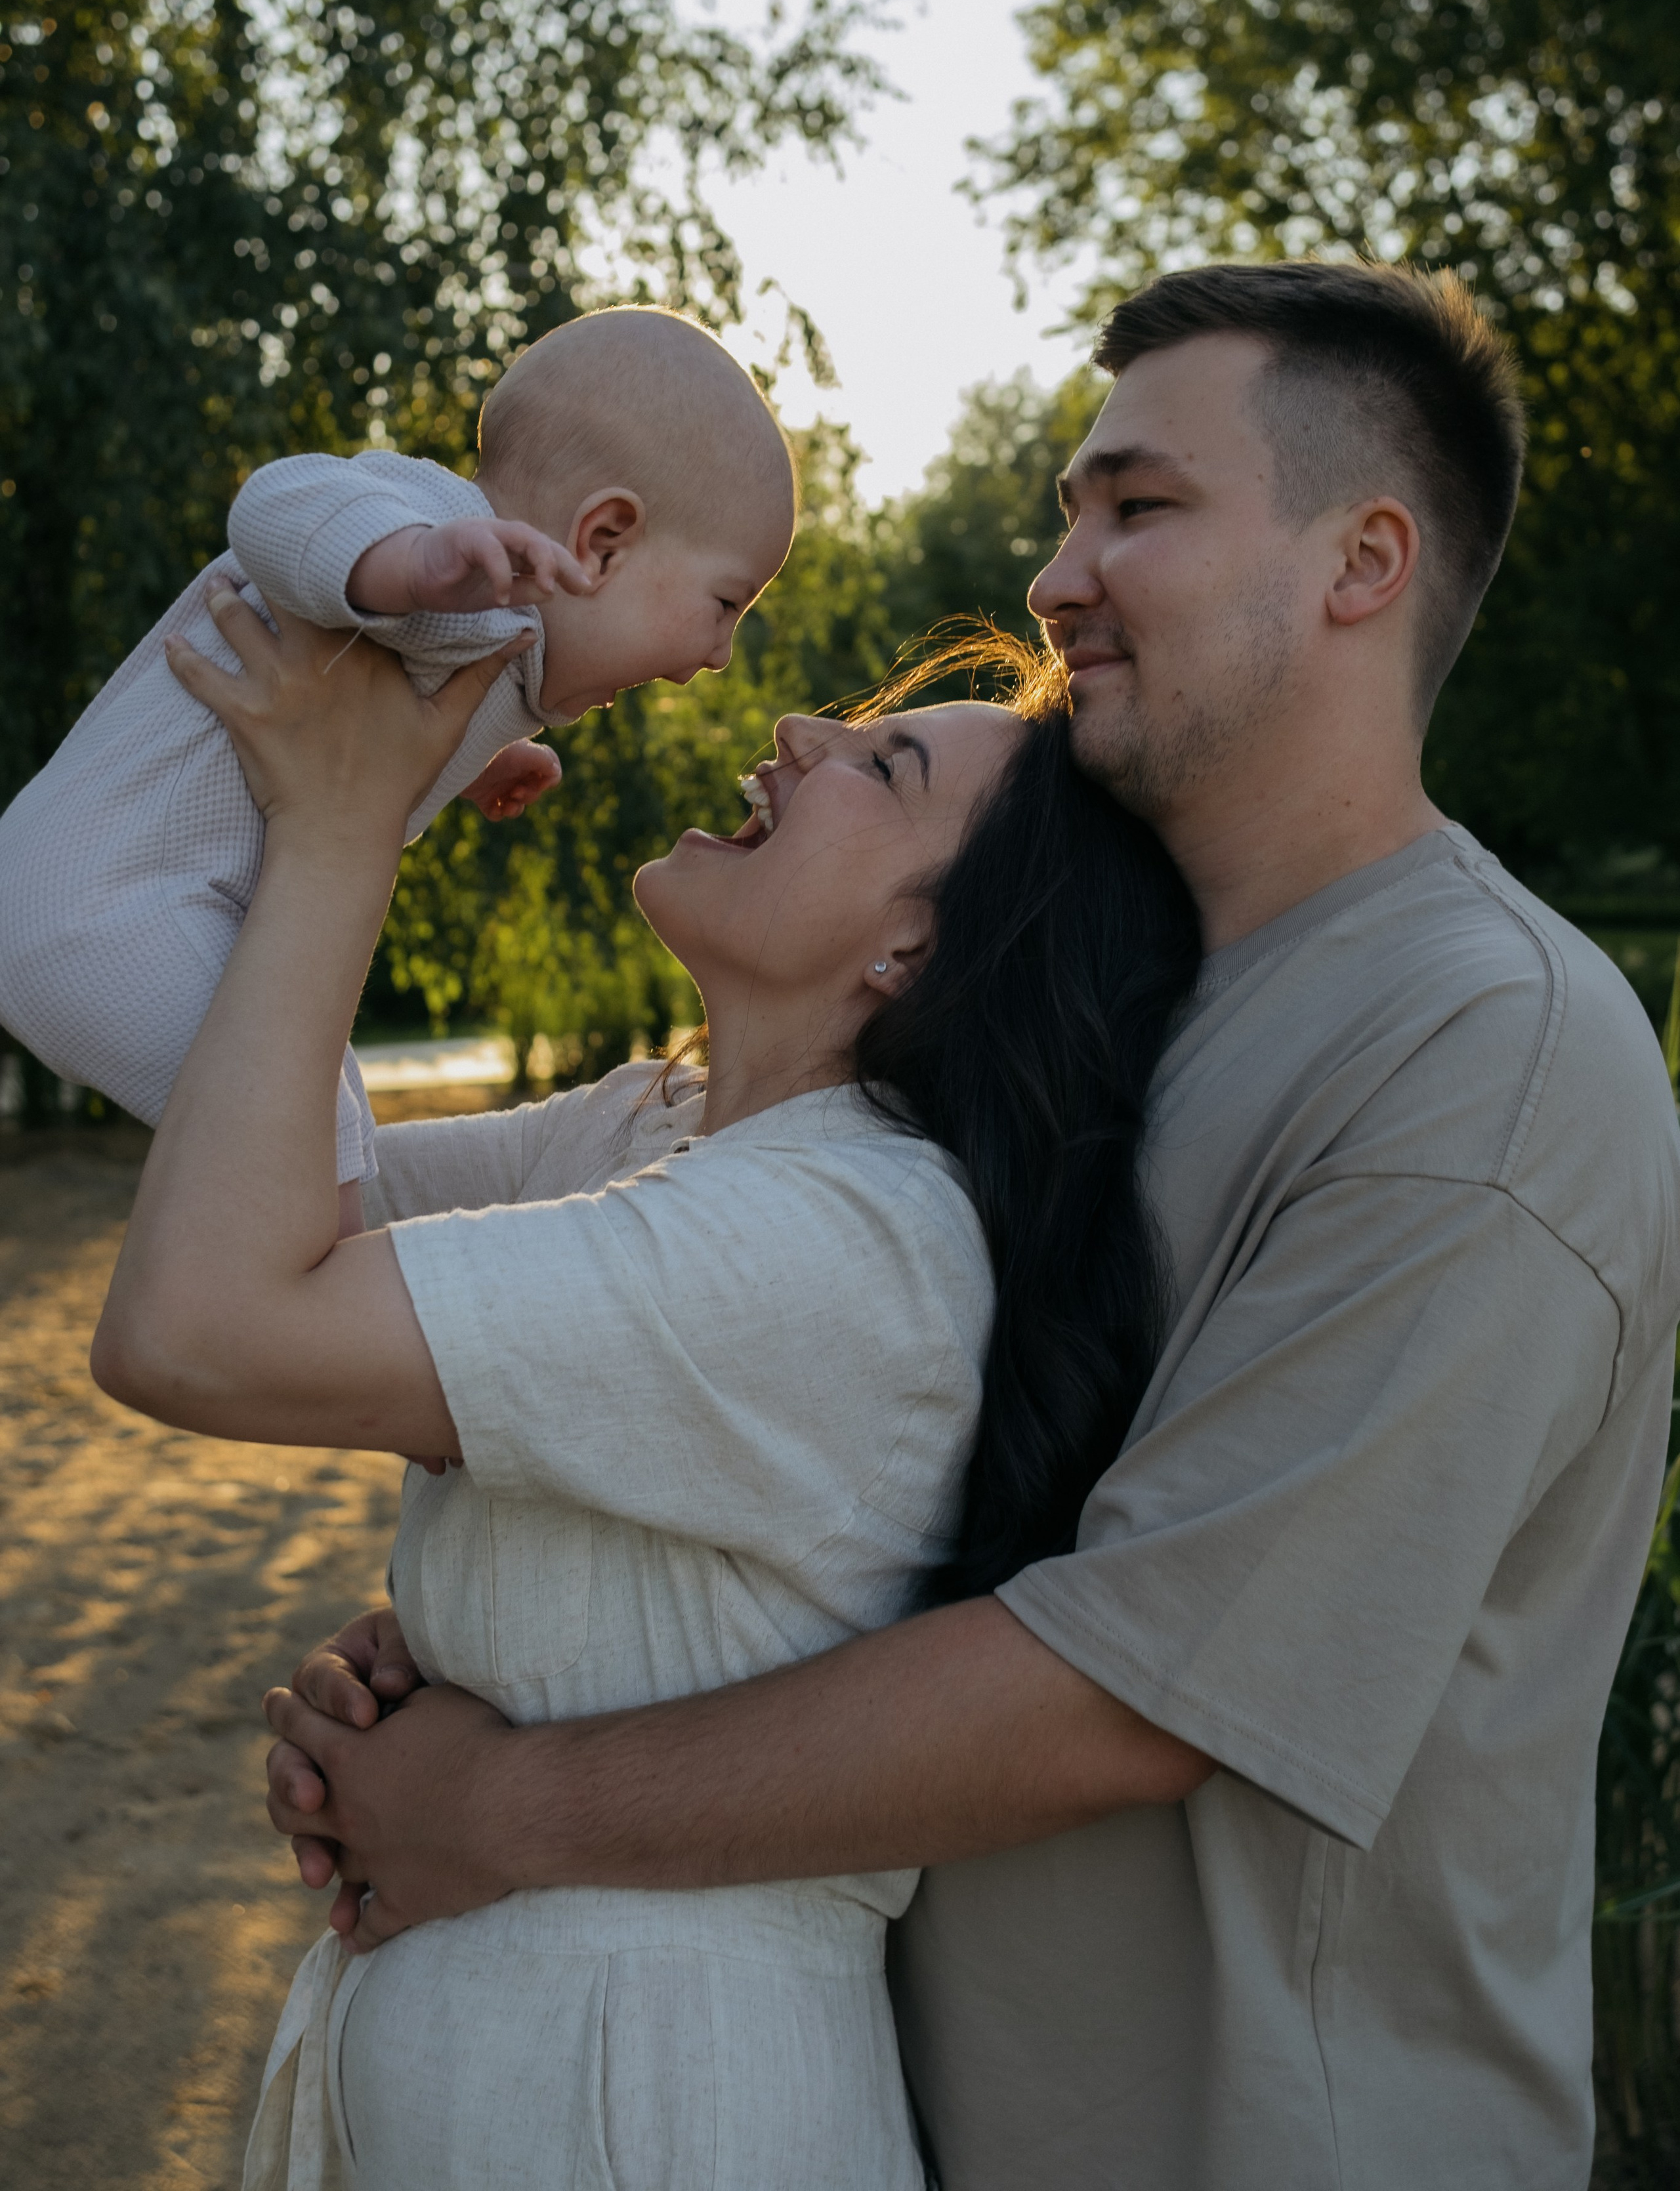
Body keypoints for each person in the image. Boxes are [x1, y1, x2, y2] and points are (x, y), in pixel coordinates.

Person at [261, 260, 1680, 2190]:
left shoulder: (1481, 1055)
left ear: (1361, 561)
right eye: (1071, 508)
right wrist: (526, 1634)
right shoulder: (1070, 1012)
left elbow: (1131, 1688)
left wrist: (506, 1802)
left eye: (1139, 507)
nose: (1054, 575)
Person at [89, 589, 1202, 2186]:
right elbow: (246, 1181)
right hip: (529, 2074)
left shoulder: (849, 1237)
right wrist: (384, 784)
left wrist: (342, 833)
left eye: (881, 766)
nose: (797, 733)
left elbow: (196, 1326)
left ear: (913, 948)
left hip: (659, 2107)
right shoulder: (645, 1131)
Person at [0, 306, 794, 1201]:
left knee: (323, 1124)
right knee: (307, 1131)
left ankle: (311, 1270)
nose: (719, 656)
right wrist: (406, 560)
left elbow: (348, 743)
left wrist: (462, 767)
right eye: (725, 605)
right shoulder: (448, 550)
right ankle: (313, 1284)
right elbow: (276, 500)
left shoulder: (493, 649)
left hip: (135, 900)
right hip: (104, 905)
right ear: (601, 542)